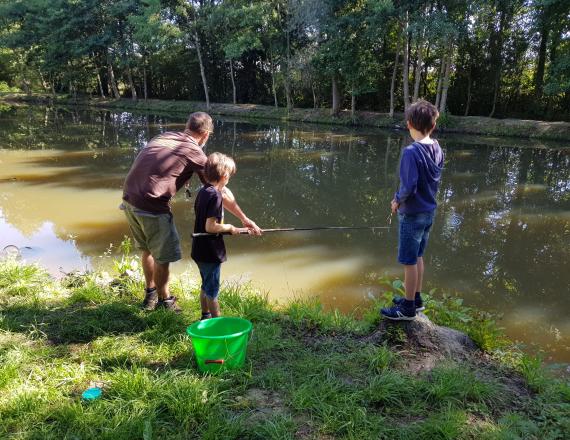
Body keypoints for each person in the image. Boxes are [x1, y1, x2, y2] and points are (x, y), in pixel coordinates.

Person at [121, 112, 261, 312]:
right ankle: (164, 302)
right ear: (205, 134)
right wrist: (244, 219)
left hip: (128, 198)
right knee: (163, 257)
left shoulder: (164, 136)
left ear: (188, 127)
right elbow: (219, 191)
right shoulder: (193, 150)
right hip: (152, 205)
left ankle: (150, 294)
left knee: (148, 249)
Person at [381, 100, 444, 321]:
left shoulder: (410, 152)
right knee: (418, 256)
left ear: (409, 124)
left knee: (408, 260)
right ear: (433, 125)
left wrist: (397, 201)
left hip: (412, 214)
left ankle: (407, 308)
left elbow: (409, 186)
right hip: (429, 212)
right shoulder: (437, 147)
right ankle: (416, 299)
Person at [191, 153, 248, 320]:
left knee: (206, 286)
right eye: (229, 175)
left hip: (199, 249)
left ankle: (205, 316)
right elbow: (210, 227)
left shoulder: (203, 191)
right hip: (210, 252)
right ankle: (217, 324)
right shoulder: (215, 195)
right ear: (224, 176)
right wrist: (230, 227)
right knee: (212, 291)